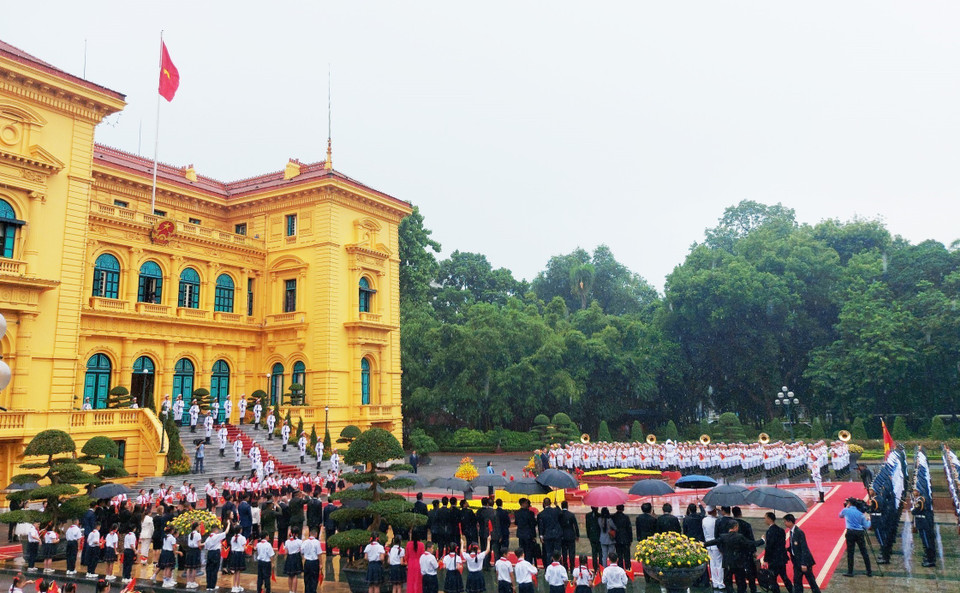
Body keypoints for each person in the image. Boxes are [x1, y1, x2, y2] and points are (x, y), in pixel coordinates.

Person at [703, 521, 763, 593]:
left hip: (727, 563)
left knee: (728, 582)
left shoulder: (723, 537)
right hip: (738, 563)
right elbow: (751, 544)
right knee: (740, 581)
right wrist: (762, 541)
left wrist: (703, 544)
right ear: (735, 527)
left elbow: (713, 542)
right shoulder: (739, 537)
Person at [784, 514, 820, 593]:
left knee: (811, 581)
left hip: (804, 562)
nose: (784, 523)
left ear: (790, 522)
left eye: (785, 521)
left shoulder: (799, 532)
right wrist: (786, 549)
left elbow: (804, 548)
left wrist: (804, 563)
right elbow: (793, 546)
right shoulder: (791, 532)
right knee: (797, 581)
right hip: (796, 562)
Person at [839, 498, 872, 577]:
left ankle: (850, 571)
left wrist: (846, 508)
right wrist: (869, 520)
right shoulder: (860, 514)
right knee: (864, 552)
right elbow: (867, 526)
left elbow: (840, 515)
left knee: (850, 552)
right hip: (859, 533)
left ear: (849, 503)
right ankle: (869, 571)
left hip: (850, 532)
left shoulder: (846, 510)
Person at [761, 512, 792, 593]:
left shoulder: (770, 531)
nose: (765, 520)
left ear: (769, 519)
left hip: (773, 559)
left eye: (765, 518)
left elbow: (769, 547)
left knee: (772, 578)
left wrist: (766, 560)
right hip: (781, 558)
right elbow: (782, 543)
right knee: (784, 577)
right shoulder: (781, 530)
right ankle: (792, 590)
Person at [912, 489, 936, 567]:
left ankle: (930, 559)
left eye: (915, 490)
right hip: (924, 523)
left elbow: (915, 511)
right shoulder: (923, 498)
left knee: (927, 541)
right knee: (927, 541)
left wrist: (913, 509)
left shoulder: (921, 500)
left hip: (923, 523)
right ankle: (929, 557)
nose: (914, 492)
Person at [203, 521, 229, 592]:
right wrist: (229, 524)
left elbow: (206, 547)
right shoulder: (216, 536)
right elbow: (226, 532)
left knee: (209, 569)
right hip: (215, 553)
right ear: (216, 530)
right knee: (214, 569)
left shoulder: (208, 538)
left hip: (210, 553)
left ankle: (208, 585)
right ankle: (212, 586)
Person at [514, 498, 537, 564]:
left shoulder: (517, 513)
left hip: (521, 534)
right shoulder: (530, 513)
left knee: (521, 550)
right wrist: (533, 536)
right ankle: (528, 564)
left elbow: (516, 522)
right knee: (528, 551)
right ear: (523, 504)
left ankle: (522, 563)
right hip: (528, 535)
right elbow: (533, 524)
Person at [302, 528, 324, 593]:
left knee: (306, 579)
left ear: (309, 534)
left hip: (307, 562)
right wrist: (321, 563)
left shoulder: (305, 542)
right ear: (316, 534)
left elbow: (302, 551)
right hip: (314, 562)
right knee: (314, 579)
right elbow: (319, 554)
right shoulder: (317, 542)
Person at [558, 501, 579, 571]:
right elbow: (575, 526)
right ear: (567, 506)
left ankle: (565, 566)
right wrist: (577, 535)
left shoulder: (559, 515)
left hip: (562, 536)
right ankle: (572, 567)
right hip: (571, 536)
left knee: (564, 552)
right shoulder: (571, 515)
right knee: (571, 552)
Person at [229, 527, 248, 593]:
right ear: (240, 530)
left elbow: (232, 547)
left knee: (237, 571)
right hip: (239, 555)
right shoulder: (242, 538)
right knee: (237, 571)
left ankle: (237, 585)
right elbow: (244, 548)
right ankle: (235, 586)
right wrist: (247, 547)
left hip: (234, 554)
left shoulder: (232, 538)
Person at [184, 522, 203, 589]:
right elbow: (199, 544)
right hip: (195, 551)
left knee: (189, 567)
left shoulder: (190, 534)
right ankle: (192, 582)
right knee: (194, 567)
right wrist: (205, 543)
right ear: (196, 527)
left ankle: (188, 582)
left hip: (190, 551)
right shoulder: (198, 534)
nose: (199, 527)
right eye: (199, 526)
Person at [584, 507, 602, 571]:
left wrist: (589, 536)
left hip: (593, 536)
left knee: (594, 553)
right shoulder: (600, 516)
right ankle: (600, 567)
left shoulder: (588, 515)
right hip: (598, 537)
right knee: (600, 553)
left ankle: (595, 567)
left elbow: (587, 527)